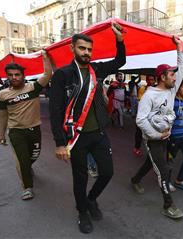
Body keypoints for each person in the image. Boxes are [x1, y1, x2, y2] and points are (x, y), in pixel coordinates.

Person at [49, 22, 126, 234]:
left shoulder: (97, 69)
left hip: (99, 133)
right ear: (72, 48)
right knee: (80, 178)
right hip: (76, 138)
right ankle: (82, 211)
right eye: (82, 48)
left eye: (89, 49)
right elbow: (55, 111)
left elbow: (120, 60)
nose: (86, 52)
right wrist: (59, 143)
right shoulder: (63, 75)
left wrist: (119, 39)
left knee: (107, 172)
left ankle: (91, 200)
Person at [131, 35, 183, 219]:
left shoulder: (171, 90)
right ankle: (168, 205)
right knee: (163, 171)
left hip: (165, 136)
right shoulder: (149, 95)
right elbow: (140, 120)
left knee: (151, 163)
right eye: (171, 74)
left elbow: (182, 68)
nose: (175, 77)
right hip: (153, 139)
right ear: (162, 77)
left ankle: (135, 180)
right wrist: (155, 134)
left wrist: (179, 48)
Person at [0, 51, 52, 200]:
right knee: (22, 160)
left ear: (23, 75)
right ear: (7, 76)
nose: (14, 77)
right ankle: (27, 187)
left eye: (17, 74)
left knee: (34, 155)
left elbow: (47, 75)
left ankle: (28, 166)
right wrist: (0, 135)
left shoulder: (33, 87)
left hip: (34, 129)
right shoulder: (3, 94)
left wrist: (45, 58)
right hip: (16, 132)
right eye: (11, 75)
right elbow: (2, 115)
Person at [133, 75, 155, 157]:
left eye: (152, 79)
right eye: (149, 79)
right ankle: (136, 148)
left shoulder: (156, 89)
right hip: (142, 114)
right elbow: (140, 101)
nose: (151, 81)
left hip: (151, 115)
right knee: (139, 132)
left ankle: (150, 150)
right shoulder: (143, 88)